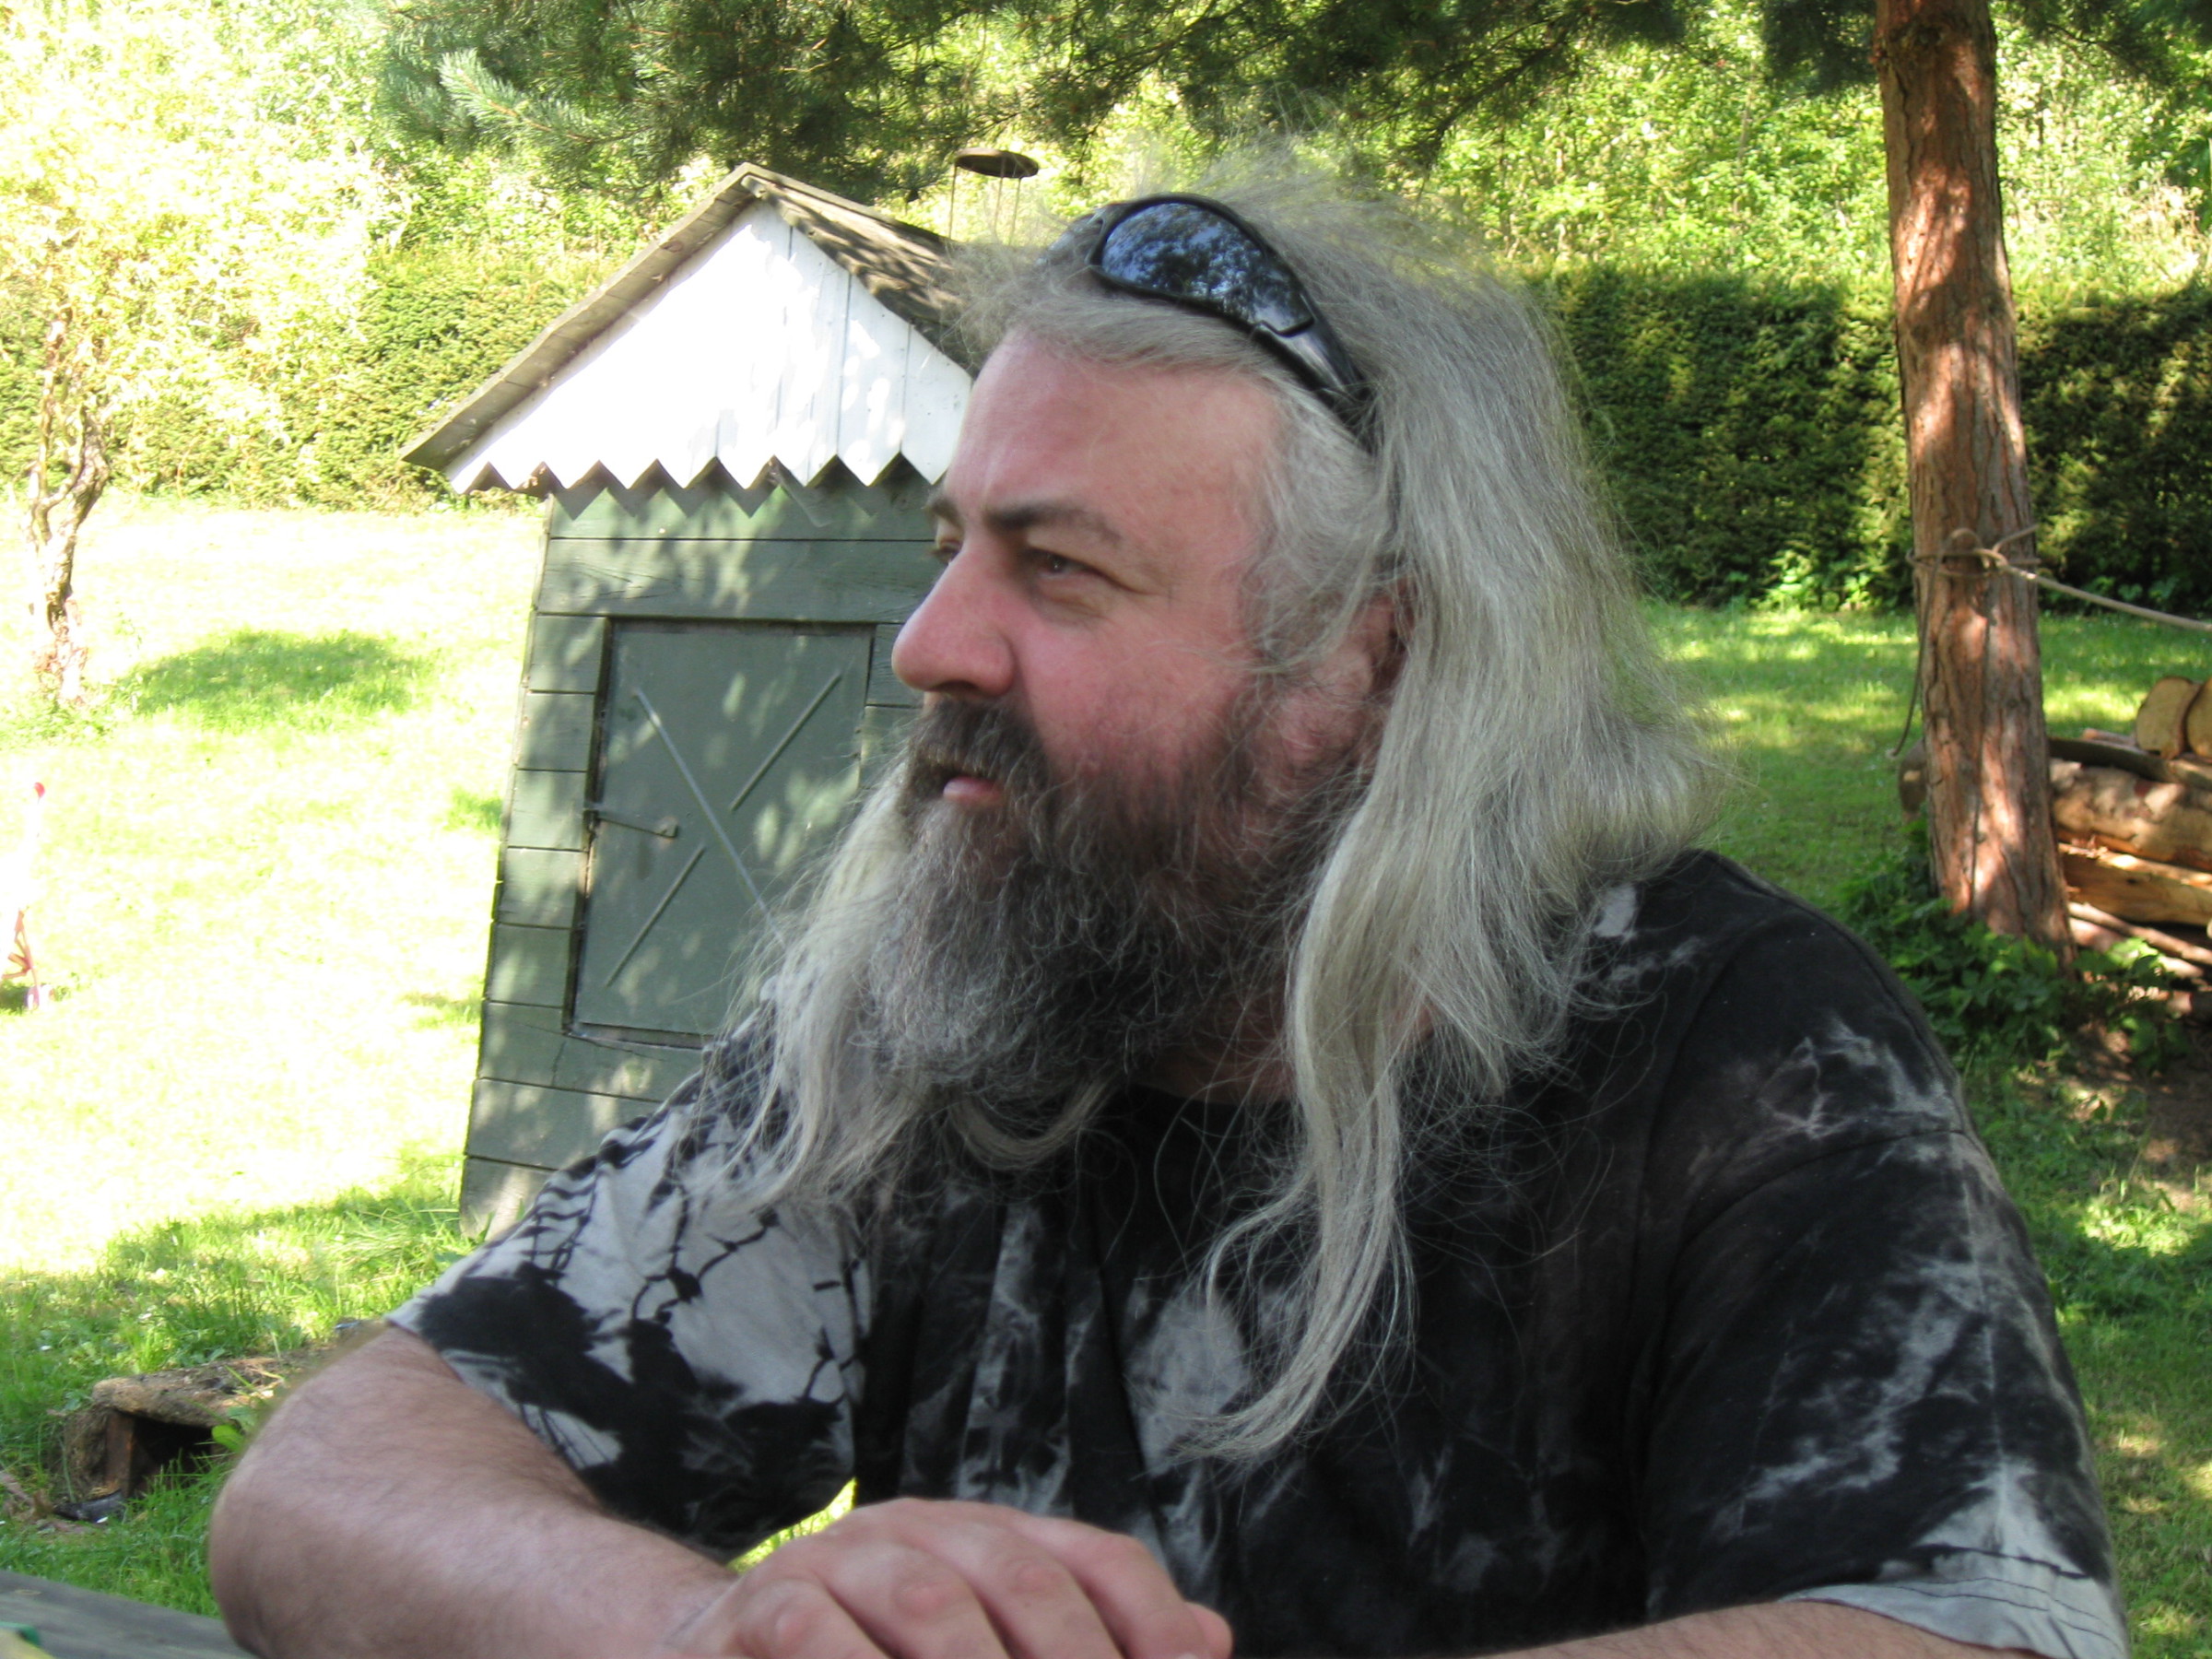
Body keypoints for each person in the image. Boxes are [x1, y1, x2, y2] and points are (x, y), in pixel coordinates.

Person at [208, 174, 2124, 1659]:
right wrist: (699, 1631)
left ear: (1377, 660)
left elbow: (1970, 1624)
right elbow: (331, 1481)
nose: (929, 642)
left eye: (1058, 569)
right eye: (954, 544)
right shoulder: (951, 1013)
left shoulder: (1738, 1055)